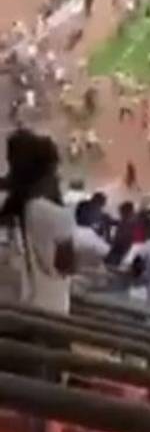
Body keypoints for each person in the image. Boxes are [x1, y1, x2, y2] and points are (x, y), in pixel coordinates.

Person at [0, 129, 76, 313]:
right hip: (46, 310)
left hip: (18, 307)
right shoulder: (50, 212)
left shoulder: (18, 205)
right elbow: (67, 267)